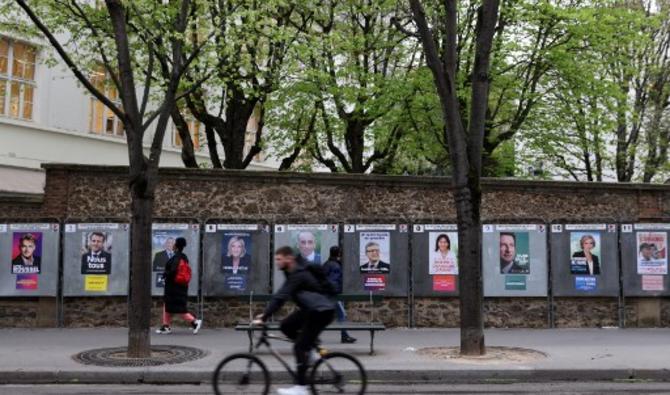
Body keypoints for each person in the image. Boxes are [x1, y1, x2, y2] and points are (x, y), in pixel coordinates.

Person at [254, 246, 336, 395]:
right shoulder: (292, 272)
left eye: (279, 259)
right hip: (311, 309)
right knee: (285, 326)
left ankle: (301, 387)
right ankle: (310, 348)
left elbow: (281, 296)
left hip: (321, 312)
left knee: (299, 347)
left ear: (289, 259)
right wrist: (266, 314)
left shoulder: (298, 274)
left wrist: (264, 316)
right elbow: (283, 295)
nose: (277, 262)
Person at [156, 237, 202, 335]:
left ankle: (194, 321)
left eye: (174, 243)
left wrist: (164, 276)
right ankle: (165, 326)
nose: (172, 245)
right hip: (180, 286)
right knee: (168, 305)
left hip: (174, 287)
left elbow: (172, 270)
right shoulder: (183, 257)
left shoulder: (177, 257)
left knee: (179, 308)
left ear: (176, 245)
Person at [322, 246, 356, 344]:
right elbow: (333, 281)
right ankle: (344, 336)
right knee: (342, 315)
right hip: (334, 295)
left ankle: (312, 335)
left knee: (322, 315)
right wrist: (337, 293)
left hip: (327, 294)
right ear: (339, 254)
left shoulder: (326, 264)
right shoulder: (336, 266)